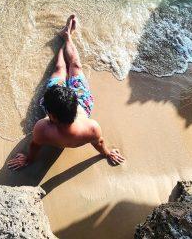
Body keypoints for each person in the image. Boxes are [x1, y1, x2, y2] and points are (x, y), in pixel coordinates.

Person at [8, 15, 125, 170]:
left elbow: (35, 145)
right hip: (77, 101)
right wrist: (107, 153)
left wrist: (28, 159)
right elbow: (35, 145)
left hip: (78, 101)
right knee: (71, 67)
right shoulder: (89, 127)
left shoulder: (45, 128)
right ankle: (65, 40)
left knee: (63, 69)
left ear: (51, 115)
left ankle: (66, 38)